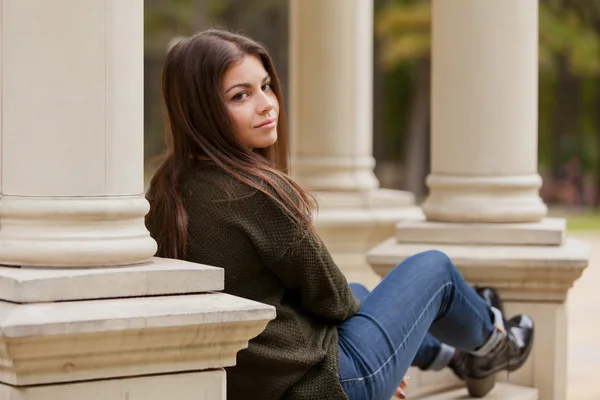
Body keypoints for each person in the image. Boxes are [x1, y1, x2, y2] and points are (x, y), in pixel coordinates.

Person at [145, 29, 534, 400]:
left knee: (364, 293)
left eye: (265, 86)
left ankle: (459, 356)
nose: (267, 104)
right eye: (240, 96)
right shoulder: (252, 192)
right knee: (434, 270)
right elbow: (332, 300)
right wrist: (381, 365)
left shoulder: (166, 190)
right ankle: (496, 343)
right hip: (323, 385)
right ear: (201, 111)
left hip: (254, 383)